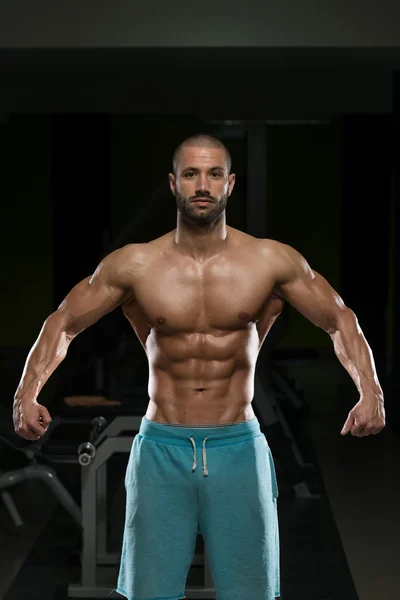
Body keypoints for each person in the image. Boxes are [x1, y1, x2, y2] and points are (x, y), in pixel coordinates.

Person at [13, 133, 385, 600]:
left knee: (250, 593)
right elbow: (63, 322)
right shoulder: (136, 264)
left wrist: (371, 391)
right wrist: (25, 393)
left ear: (230, 183)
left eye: (213, 174)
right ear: (174, 184)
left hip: (239, 448)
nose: (202, 184)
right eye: (191, 174)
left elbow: (339, 319)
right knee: (149, 593)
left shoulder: (270, 260)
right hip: (160, 450)